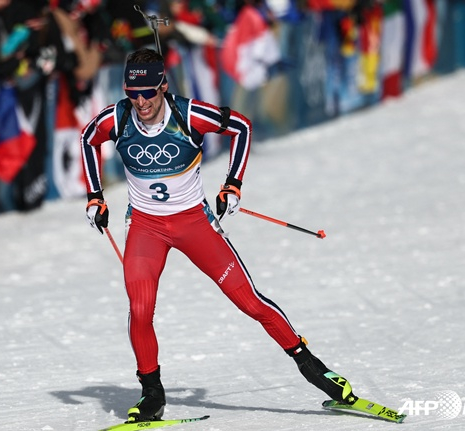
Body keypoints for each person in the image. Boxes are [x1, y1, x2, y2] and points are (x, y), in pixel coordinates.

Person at [80, 47, 355, 422]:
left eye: (148, 93)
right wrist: (95, 196)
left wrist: (232, 185)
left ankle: (314, 368)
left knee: (250, 303)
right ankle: (152, 394)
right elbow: (88, 138)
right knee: (140, 309)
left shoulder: (188, 114)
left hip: (194, 224)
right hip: (146, 227)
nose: (141, 102)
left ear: (163, 86)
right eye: (133, 94)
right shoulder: (118, 117)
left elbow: (241, 126)